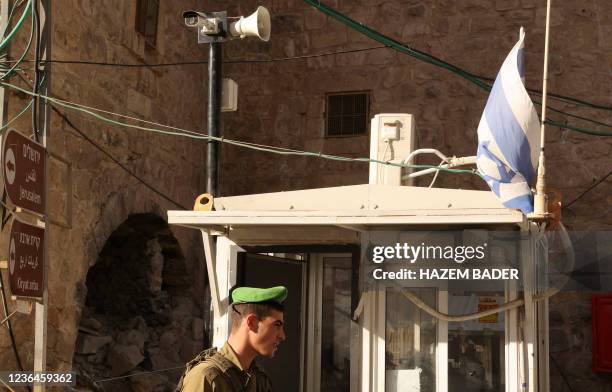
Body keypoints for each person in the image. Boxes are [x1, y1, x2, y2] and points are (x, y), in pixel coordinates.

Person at [177, 286, 287, 392]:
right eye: (277, 325)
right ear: (252, 322)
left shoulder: (258, 380)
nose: (282, 336)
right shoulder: (206, 378)